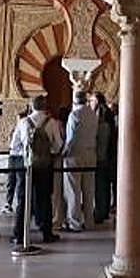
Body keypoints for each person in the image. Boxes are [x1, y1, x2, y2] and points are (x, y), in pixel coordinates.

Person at [11, 95, 63, 245]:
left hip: (26, 166)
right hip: (45, 166)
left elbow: (14, 146)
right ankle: (46, 233)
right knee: (45, 199)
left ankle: (19, 234)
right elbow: (58, 145)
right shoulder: (51, 122)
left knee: (23, 199)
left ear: (31, 106)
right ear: (45, 106)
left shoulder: (23, 122)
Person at [62, 91, 98, 232]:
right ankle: (89, 221)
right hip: (91, 153)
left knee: (73, 190)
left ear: (75, 101)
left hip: (75, 155)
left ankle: (74, 222)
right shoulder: (93, 115)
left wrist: (64, 152)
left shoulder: (75, 115)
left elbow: (70, 139)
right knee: (89, 189)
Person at [91, 93, 115, 223]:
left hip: (101, 157)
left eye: (92, 100)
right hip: (107, 157)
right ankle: (103, 210)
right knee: (104, 185)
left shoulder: (102, 122)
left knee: (100, 186)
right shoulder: (109, 118)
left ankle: (100, 211)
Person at [1, 107, 28, 214]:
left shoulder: (25, 126)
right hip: (13, 155)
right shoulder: (15, 128)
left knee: (20, 181)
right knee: (10, 180)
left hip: (20, 156)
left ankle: (20, 204)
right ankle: (8, 203)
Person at [52, 105, 70, 230]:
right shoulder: (69, 124)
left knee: (57, 190)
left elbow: (58, 143)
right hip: (68, 158)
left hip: (57, 158)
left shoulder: (56, 124)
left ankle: (57, 218)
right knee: (66, 190)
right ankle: (65, 217)